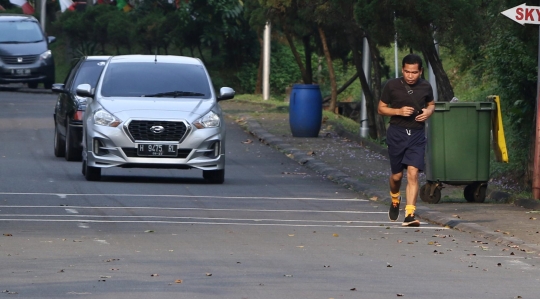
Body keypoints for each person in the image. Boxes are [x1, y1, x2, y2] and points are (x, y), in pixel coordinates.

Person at [377, 53, 435, 227]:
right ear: (402, 70)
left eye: (414, 72)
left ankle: (410, 214)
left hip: (417, 135)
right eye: (407, 72)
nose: (410, 76)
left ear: (420, 71)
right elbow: (381, 109)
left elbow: (431, 104)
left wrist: (428, 112)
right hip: (397, 133)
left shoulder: (425, 86)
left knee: (413, 173)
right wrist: (398, 111)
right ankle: (395, 198)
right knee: (396, 176)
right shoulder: (392, 86)